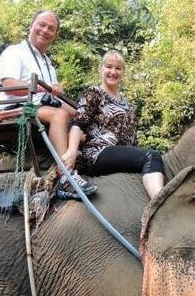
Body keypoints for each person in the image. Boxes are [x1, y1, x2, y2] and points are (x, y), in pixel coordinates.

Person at [0, 10, 95, 195]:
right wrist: (42, 88)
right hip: (16, 107)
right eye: (41, 24)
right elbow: (8, 85)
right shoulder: (15, 51)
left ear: (55, 35)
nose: (45, 30)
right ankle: (66, 176)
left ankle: (84, 157)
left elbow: (52, 98)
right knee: (60, 115)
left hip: (40, 106)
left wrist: (81, 113)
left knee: (80, 118)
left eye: (51, 28)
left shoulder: (48, 63)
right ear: (31, 26)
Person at [66, 50, 165, 199]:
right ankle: (159, 204)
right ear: (101, 69)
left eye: (118, 68)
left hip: (119, 153)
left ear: (123, 72)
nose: (113, 72)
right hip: (98, 153)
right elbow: (78, 124)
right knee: (152, 156)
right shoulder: (94, 93)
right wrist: (72, 151)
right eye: (109, 67)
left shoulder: (129, 105)